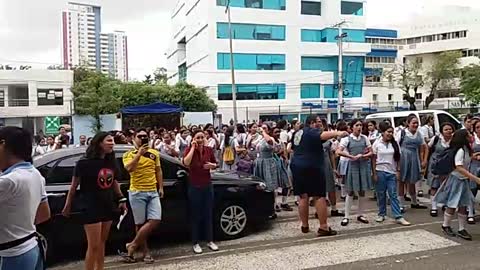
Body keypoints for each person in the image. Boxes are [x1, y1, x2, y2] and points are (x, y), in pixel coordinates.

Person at [62, 132, 127, 270]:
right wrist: (68, 205)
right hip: (90, 205)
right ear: (99, 143)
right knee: (93, 245)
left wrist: (121, 198)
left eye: (113, 141)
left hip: (107, 204)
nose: (112, 143)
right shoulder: (83, 163)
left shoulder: (110, 161)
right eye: (109, 141)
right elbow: (73, 186)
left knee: (102, 242)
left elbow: (114, 181)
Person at [0, 127, 51, 270]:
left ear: (3, 145)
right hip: (31, 247)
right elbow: (44, 214)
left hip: (12, 254)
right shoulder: (34, 174)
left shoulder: (9, 181)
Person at [290, 115, 348, 237]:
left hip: (297, 165)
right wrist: (339, 133)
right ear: (311, 123)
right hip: (312, 166)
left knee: (303, 196)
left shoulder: (297, 133)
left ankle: (304, 225)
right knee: (319, 196)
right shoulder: (312, 132)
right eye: (317, 122)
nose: (320, 124)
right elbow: (322, 135)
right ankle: (323, 227)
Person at [122, 129, 163, 263]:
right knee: (139, 224)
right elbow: (129, 169)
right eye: (140, 137)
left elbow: (158, 170)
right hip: (137, 192)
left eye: (145, 136)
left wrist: (161, 187)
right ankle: (146, 252)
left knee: (155, 220)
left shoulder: (154, 153)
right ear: (134, 138)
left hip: (152, 191)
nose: (143, 139)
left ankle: (132, 245)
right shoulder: (128, 154)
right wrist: (139, 154)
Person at [434, 129, 480, 240]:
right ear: (464, 138)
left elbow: (466, 161)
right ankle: (445, 225)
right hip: (456, 180)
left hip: (463, 180)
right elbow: (459, 167)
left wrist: (474, 156)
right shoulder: (460, 151)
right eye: (469, 134)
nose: (471, 136)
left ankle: (461, 229)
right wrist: (475, 178)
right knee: (452, 203)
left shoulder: (465, 149)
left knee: (463, 204)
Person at [182, 130, 219, 254]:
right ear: (193, 139)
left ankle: (210, 240)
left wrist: (212, 166)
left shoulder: (209, 150)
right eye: (197, 137)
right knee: (195, 215)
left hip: (207, 185)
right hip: (194, 185)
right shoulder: (189, 149)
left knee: (208, 213)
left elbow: (215, 163)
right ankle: (195, 242)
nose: (200, 139)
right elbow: (186, 162)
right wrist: (193, 147)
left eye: (202, 137)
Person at [372, 122, 411, 226]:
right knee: (381, 194)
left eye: (391, 132)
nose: (390, 134)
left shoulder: (395, 143)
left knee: (393, 194)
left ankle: (398, 216)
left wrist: (398, 171)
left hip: (391, 172)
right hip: (380, 171)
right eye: (388, 132)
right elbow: (373, 159)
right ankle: (381, 214)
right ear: (382, 133)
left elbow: (398, 158)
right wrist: (374, 173)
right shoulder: (377, 143)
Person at [336, 119, 373, 226]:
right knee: (350, 191)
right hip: (352, 166)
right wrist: (351, 157)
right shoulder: (347, 139)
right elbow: (338, 151)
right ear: (352, 127)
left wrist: (363, 156)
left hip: (363, 166)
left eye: (360, 125)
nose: (359, 127)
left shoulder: (365, 138)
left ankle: (360, 214)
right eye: (357, 125)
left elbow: (371, 152)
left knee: (362, 191)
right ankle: (346, 216)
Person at [254, 124, 289, 218]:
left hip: (268, 163)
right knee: (261, 187)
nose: (262, 130)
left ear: (268, 130)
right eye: (262, 128)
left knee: (270, 187)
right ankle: (263, 208)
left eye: (265, 128)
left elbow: (269, 141)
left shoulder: (270, 139)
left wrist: (262, 132)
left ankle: (272, 209)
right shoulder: (260, 139)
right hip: (260, 162)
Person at [396, 114, 429, 212]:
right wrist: (397, 163)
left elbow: (423, 147)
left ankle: (414, 202)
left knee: (412, 181)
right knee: (401, 181)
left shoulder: (419, 134)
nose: (415, 125)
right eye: (413, 123)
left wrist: (424, 160)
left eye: (417, 123)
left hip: (414, 158)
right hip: (403, 158)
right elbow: (396, 147)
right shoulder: (402, 133)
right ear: (408, 123)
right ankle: (400, 204)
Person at [427, 123, 454, 217]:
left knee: (446, 186)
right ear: (442, 131)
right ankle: (434, 207)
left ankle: (445, 204)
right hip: (435, 165)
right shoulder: (436, 139)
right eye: (446, 129)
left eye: (450, 129)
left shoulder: (454, 140)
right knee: (434, 186)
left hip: (447, 166)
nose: (449, 131)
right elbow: (427, 147)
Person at [320, 119, 343, 217]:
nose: (321, 127)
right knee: (318, 190)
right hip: (316, 166)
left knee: (331, 188)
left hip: (327, 166)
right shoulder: (311, 140)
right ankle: (319, 211)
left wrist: (334, 168)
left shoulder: (329, 142)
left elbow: (332, 155)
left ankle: (334, 209)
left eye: (322, 126)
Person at [467, 120, 480, 224]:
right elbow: (467, 154)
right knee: (472, 189)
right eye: (478, 127)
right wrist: (474, 156)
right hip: (474, 166)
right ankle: (470, 213)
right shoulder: (471, 139)